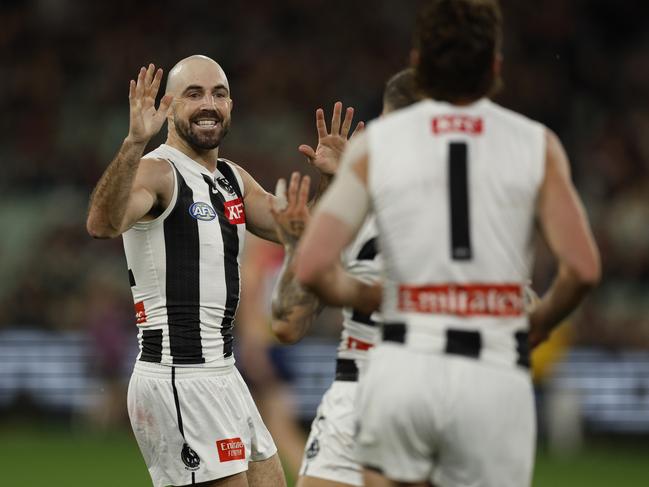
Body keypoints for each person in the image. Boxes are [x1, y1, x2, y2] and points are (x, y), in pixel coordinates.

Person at [294, 1, 601, 486]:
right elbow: (583, 269)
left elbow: (311, 266)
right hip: (493, 375)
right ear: (495, 67)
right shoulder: (534, 144)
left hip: (403, 368)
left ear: (420, 63)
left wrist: (374, 295)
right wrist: (538, 323)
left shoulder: (378, 145)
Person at [86, 55, 359, 487]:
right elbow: (102, 223)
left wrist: (335, 181)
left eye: (219, 94)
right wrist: (133, 143)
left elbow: (304, 235)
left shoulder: (232, 178)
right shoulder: (158, 171)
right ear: (169, 106)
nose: (208, 103)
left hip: (223, 372)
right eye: (193, 94)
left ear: (231, 106)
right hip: (179, 375)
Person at [269, 68, 420, 487]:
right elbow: (287, 324)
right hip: (354, 396)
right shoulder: (353, 204)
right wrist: (326, 197)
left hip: (422, 395)